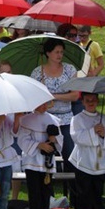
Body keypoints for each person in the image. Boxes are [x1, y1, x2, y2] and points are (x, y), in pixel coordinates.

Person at [30, 38, 79, 185]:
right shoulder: (37, 72)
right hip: (44, 119)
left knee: (69, 153)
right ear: (48, 53)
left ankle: (73, 188)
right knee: (44, 154)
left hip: (65, 119)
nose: (59, 55)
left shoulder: (70, 70)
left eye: (61, 52)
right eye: (56, 52)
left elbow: (75, 95)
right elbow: (33, 96)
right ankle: (44, 186)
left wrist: (53, 96)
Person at [18, 103, 63, 209]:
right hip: (32, 161)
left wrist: (53, 139)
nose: (44, 107)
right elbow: (22, 139)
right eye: (41, 104)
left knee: (46, 191)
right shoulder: (26, 120)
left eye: (46, 104)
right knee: (34, 191)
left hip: (47, 162)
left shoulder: (53, 119)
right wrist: (39, 145)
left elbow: (60, 139)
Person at [70, 93, 105, 209]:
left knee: (97, 191)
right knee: (84, 191)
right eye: (87, 100)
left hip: (100, 161)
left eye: (93, 100)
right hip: (84, 161)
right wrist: (93, 131)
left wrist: (104, 134)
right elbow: (77, 138)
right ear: (82, 102)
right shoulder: (77, 119)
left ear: (98, 101)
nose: (90, 102)